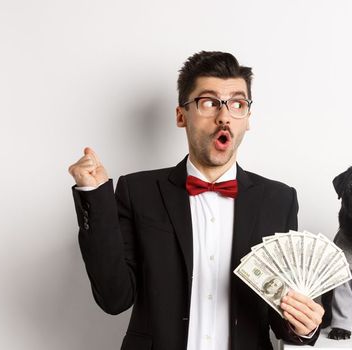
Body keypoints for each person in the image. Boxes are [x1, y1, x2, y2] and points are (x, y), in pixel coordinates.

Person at [67, 51, 323, 350]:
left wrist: (303, 325)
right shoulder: (138, 191)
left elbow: (280, 316)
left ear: (248, 119)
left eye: (237, 104)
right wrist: (94, 197)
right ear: (181, 115)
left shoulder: (279, 200)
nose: (224, 115)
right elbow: (114, 298)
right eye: (209, 102)